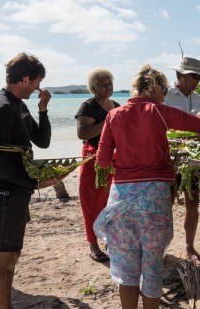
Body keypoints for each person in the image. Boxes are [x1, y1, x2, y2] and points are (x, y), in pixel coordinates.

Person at [93, 64, 200, 309]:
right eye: (163, 90)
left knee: (127, 269)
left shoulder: (114, 115)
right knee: (151, 267)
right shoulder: (160, 111)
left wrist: (126, 158)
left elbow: (103, 161)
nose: (164, 95)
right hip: (154, 199)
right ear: (155, 88)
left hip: (122, 201)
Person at [0, 53, 60, 309]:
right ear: (25, 79)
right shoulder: (1, 108)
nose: (38, 87)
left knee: (11, 254)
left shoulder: (19, 105)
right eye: (37, 82)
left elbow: (43, 141)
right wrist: (35, 184)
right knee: (6, 258)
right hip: (3, 192)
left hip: (15, 191)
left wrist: (43, 109)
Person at [164, 57, 200, 262]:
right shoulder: (165, 96)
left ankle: (190, 248)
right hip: (168, 158)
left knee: (192, 204)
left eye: (199, 76)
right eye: (194, 76)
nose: (198, 80)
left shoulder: (199, 99)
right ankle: (161, 249)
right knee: (167, 205)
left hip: (192, 157)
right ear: (181, 76)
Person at [75, 68, 120, 262]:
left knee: (112, 202)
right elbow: (83, 133)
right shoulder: (88, 106)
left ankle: (111, 240)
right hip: (92, 159)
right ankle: (93, 244)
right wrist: (107, 120)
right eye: (103, 84)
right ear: (93, 87)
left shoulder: (116, 105)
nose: (107, 87)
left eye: (109, 83)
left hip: (114, 158)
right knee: (91, 202)